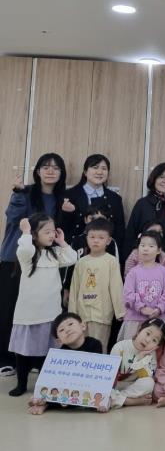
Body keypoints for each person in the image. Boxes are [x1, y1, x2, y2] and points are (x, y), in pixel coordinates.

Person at [0, 152, 67, 377]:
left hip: (44, 263)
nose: (50, 171)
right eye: (45, 167)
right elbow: (13, 218)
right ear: (37, 171)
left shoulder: (61, 199)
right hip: (14, 259)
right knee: (10, 310)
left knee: (40, 313)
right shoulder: (25, 192)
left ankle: (35, 359)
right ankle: (6, 358)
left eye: (55, 168)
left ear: (61, 173)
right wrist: (18, 192)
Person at [9, 214, 76, 396]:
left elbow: (72, 258)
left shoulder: (54, 253)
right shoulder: (28, 255)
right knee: (23, 352)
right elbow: (25, 249)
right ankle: (21, 384)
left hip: (51, 314)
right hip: (29, 315)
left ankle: (46, 384)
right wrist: (25, 232)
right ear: (34, 234)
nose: (51, 235)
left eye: (53, 231)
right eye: (46, 232)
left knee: (48, 352)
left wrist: (62, 242)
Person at [26, 312, 102, 415]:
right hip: (69, 388)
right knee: (57, 393)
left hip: (87, 385)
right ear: (59, 341)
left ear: (83, 326)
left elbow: (97, 374)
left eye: (70, 324)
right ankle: (45, 402)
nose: (67, 330)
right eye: (61, 330)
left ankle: (50, 403)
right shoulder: (59, 354)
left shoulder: (95, 344)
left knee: (109, 395)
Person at [68, 218, 125, 352]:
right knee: (80, 347)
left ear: (108, 240)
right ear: (86, 238)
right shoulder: (81, 262)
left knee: (99, 347)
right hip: (82, 314)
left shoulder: (111, 261)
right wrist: (72, 314)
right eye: (92, 237)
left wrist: (120, 311)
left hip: (102, 314)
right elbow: (74, 289)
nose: (96, 241)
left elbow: (116, 287)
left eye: (101, 238)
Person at [124, 163, 165, 267]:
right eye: (161, 177)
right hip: (144, 263)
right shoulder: (142, 204)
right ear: (154, 179)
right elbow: (131, 234)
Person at [59, 154, 125, 254]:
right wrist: (68, 213)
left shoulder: (115, 198)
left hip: (105, 252)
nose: (99, 172)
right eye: (95, 167)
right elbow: (61, 226)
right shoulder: (69, 195)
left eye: (104, 168)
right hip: (74, 250)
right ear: (85, 172)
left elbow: (119, 229)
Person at [119, 231, 165, 341]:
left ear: (159, 250)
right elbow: (128, 294)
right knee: (133, 347)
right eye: (142, 245)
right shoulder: (133, 272)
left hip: (160, 320)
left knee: (160, 349)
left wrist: (159, 309)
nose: (145, 249)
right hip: (135, 320)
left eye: (151, 246)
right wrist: (142, 308)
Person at [109, 317, 165, 408]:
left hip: (133, 387)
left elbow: (146, 377)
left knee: (149, 383)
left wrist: (141, 358)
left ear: (157, 346)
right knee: (105, 388)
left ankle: (115, 399)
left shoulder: (151, 355)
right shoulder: (120, 347)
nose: (148, 340)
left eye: (154, 340)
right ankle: (130, 401)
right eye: (147, 333)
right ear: (139, 330)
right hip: (116, 385)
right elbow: (110, 377)